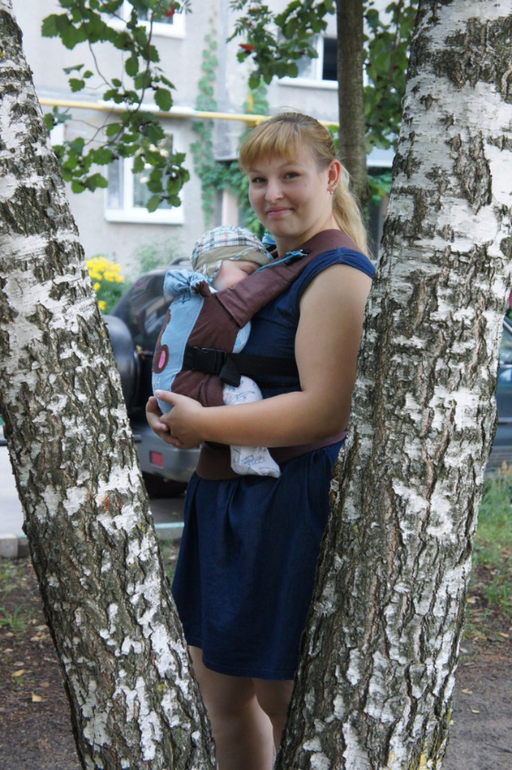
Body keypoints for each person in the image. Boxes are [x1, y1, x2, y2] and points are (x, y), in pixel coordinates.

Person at [147, 111, 375, 770]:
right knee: (219, 694)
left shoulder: (338, 272)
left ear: (330, 176)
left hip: (288, 507)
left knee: (284, 699)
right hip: (225, 500)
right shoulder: (274, 263)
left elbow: (323, 412)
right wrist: (178, 411)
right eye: (257, 179)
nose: (271, 194)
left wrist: (203, 425)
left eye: (290, 175)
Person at [152, 225, 281, 478]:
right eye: (248, 272)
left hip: (172, 391)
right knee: (244, 389)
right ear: (215, 266)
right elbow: (270, 284)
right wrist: (293, 263)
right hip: (186, 391)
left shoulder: (190, 296)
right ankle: (247, 455)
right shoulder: (212, 299)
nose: (252, 282)